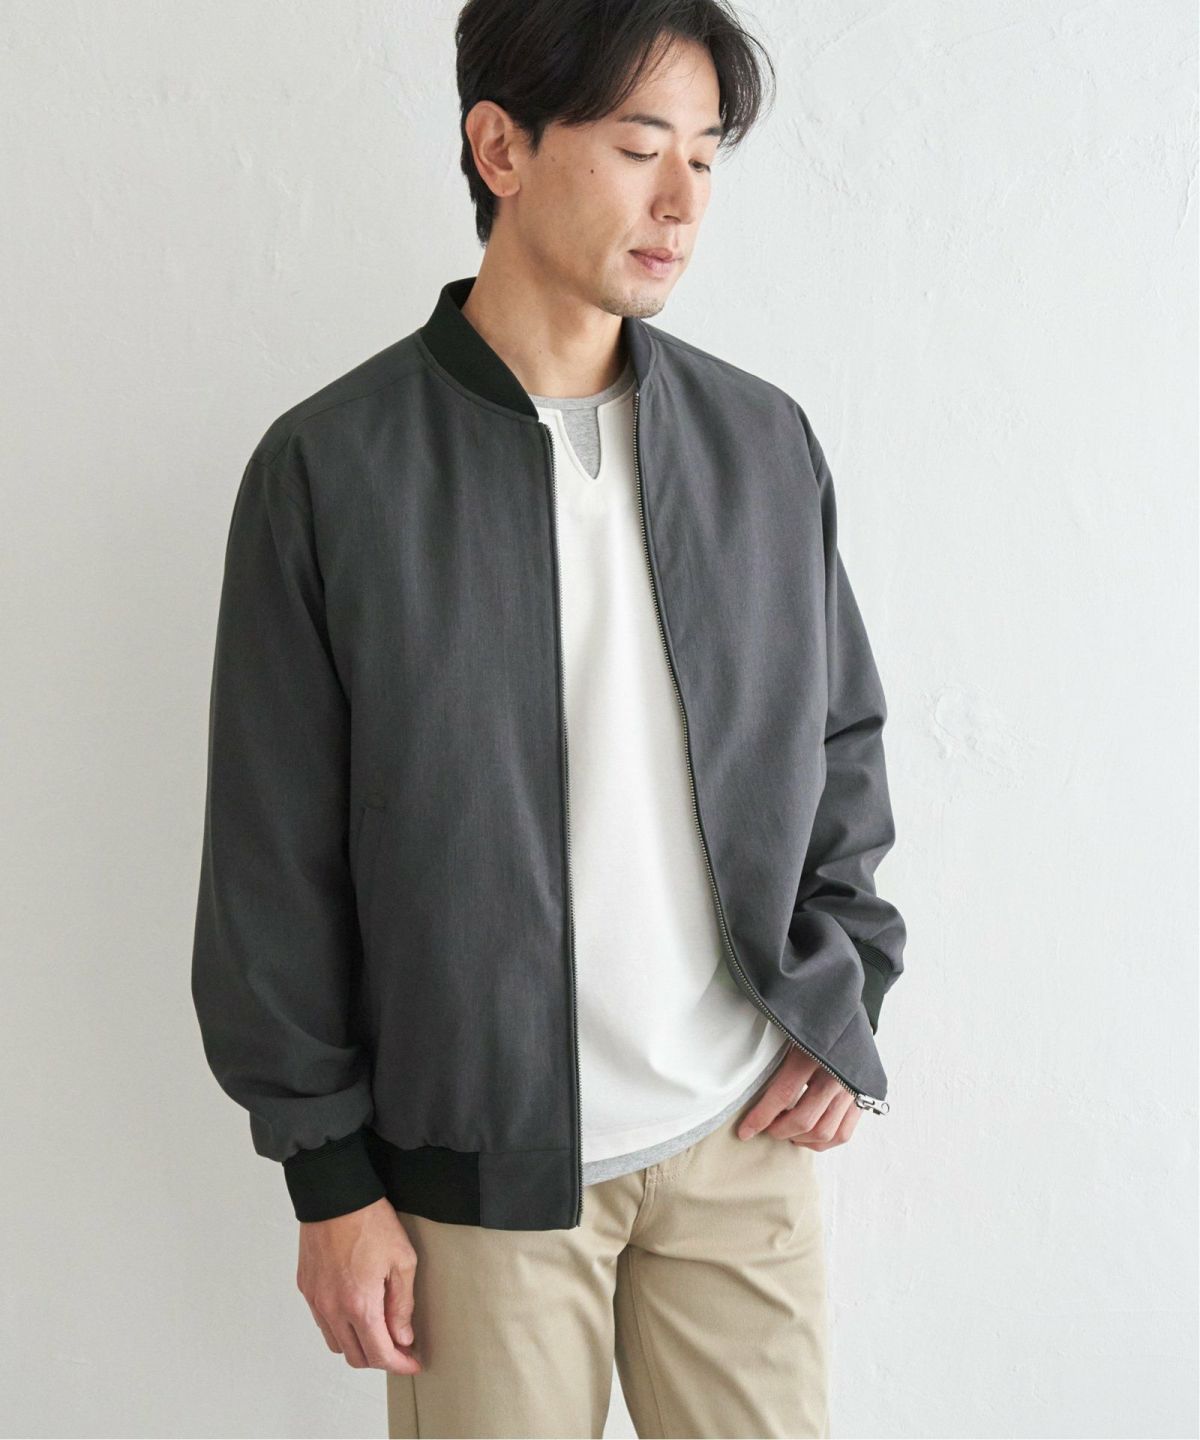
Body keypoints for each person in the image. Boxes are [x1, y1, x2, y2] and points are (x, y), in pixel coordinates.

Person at [190, 2, 907, 1435]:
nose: (682, 200)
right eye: (640, 147)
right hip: (481, 1179)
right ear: (501, 147)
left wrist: (842, 994)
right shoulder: (332, 471)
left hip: (739, 1138)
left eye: (706, 154)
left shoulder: (761, 444)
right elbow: (271, 860)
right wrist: (329, 1181)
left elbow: (839, 743)